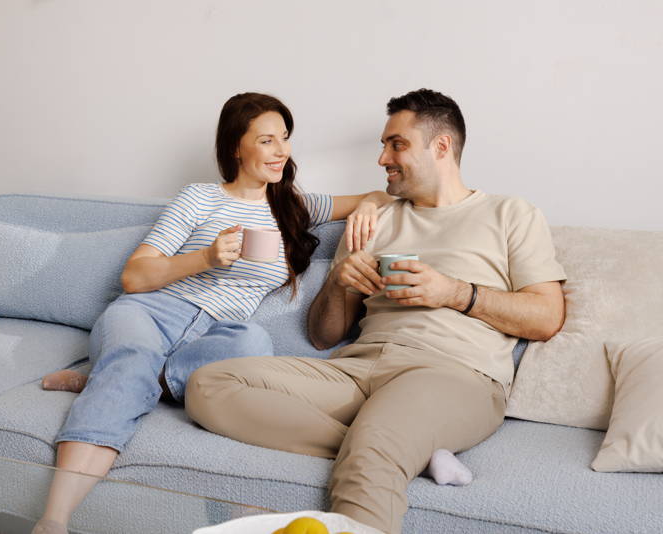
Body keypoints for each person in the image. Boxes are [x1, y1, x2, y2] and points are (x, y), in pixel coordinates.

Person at [185, 88, 567, 534]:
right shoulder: (373, 220)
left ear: (441, 147)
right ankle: (403, 448)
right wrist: (338, 279)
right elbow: (325, 337)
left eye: (397, 144)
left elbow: (546, 318)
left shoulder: (511, 214)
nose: (383, 157)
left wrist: (453, 293)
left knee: (376, 447)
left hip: (453, 373)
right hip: (358, 370)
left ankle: (385, 446)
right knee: (208, 384)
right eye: (384, 145)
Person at [31, 92, 395, 534]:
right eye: (266, 140)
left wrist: (372, 206)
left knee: (254, 343)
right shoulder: (199, 198)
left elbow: (376, 194)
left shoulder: (293, 207)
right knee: (132, 358)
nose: (281, 151)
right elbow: (134, 276)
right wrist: (205, 258)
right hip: (151, 311)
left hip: (219, 331)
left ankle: (118, 376)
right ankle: (54, 520)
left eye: (284, 138)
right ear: (234, 148)